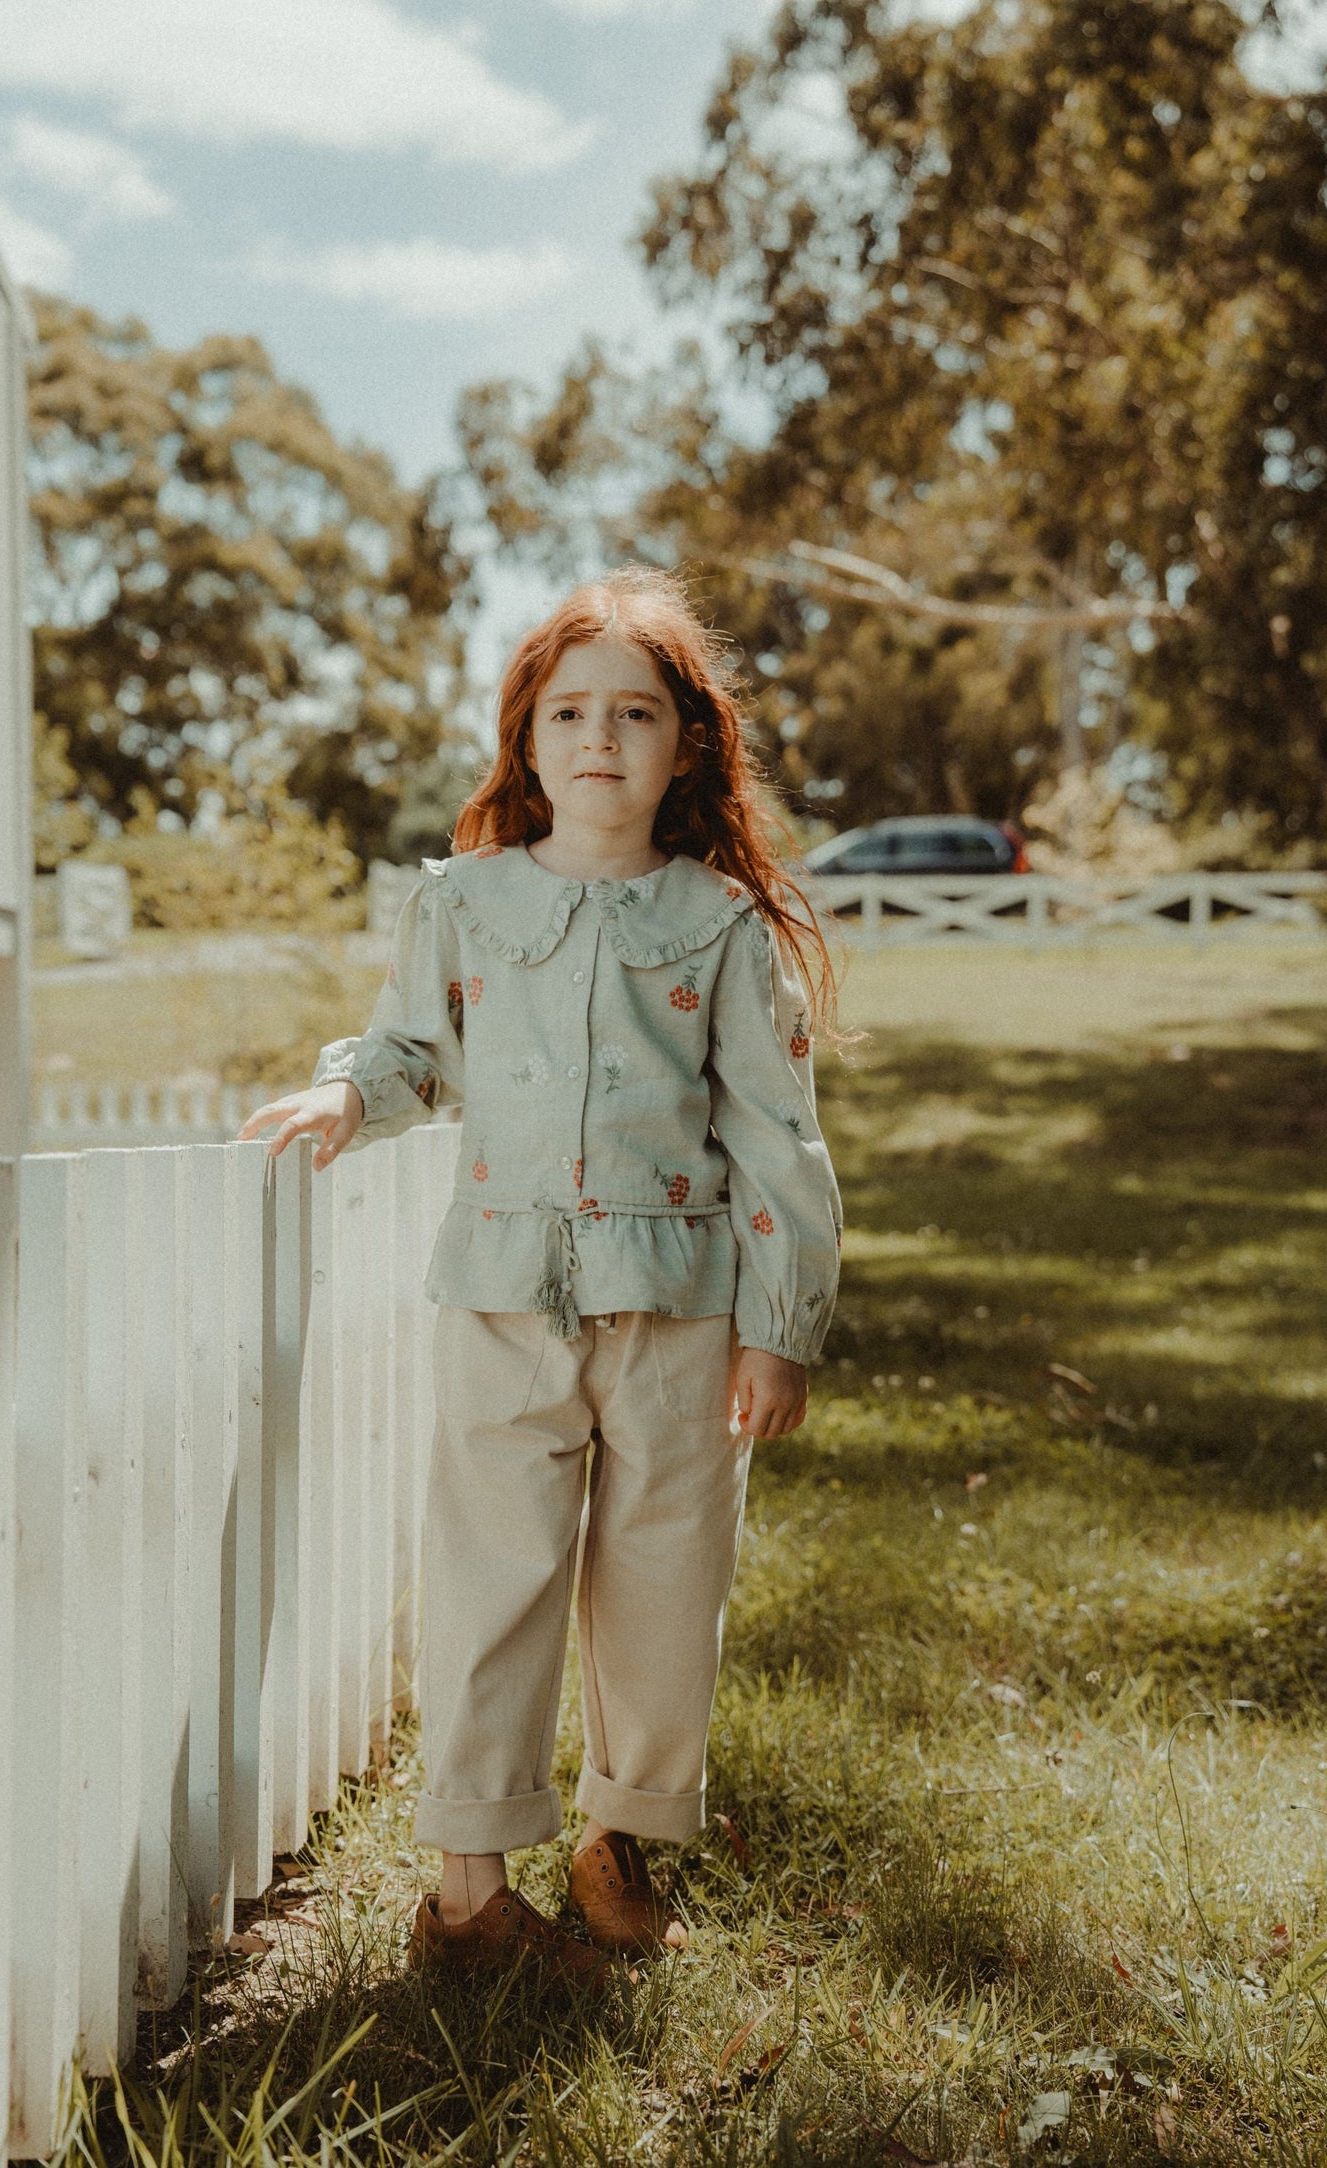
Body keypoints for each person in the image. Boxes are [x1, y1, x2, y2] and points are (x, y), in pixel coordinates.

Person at [241, 566, 842, 1985]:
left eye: (634, 712)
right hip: (504, 1301)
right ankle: (467, 1894)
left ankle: (621, 1838)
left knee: (661, 1582)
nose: (599, 738)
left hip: (681, 1315)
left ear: (685, 743)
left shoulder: (717, 926)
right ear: (526, 738)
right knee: (492, 1575)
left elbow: (776, 1140)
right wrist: (348, 1099)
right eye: (568, 710)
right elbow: (409, 1051)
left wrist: (782, 1330)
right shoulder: (463, 904)